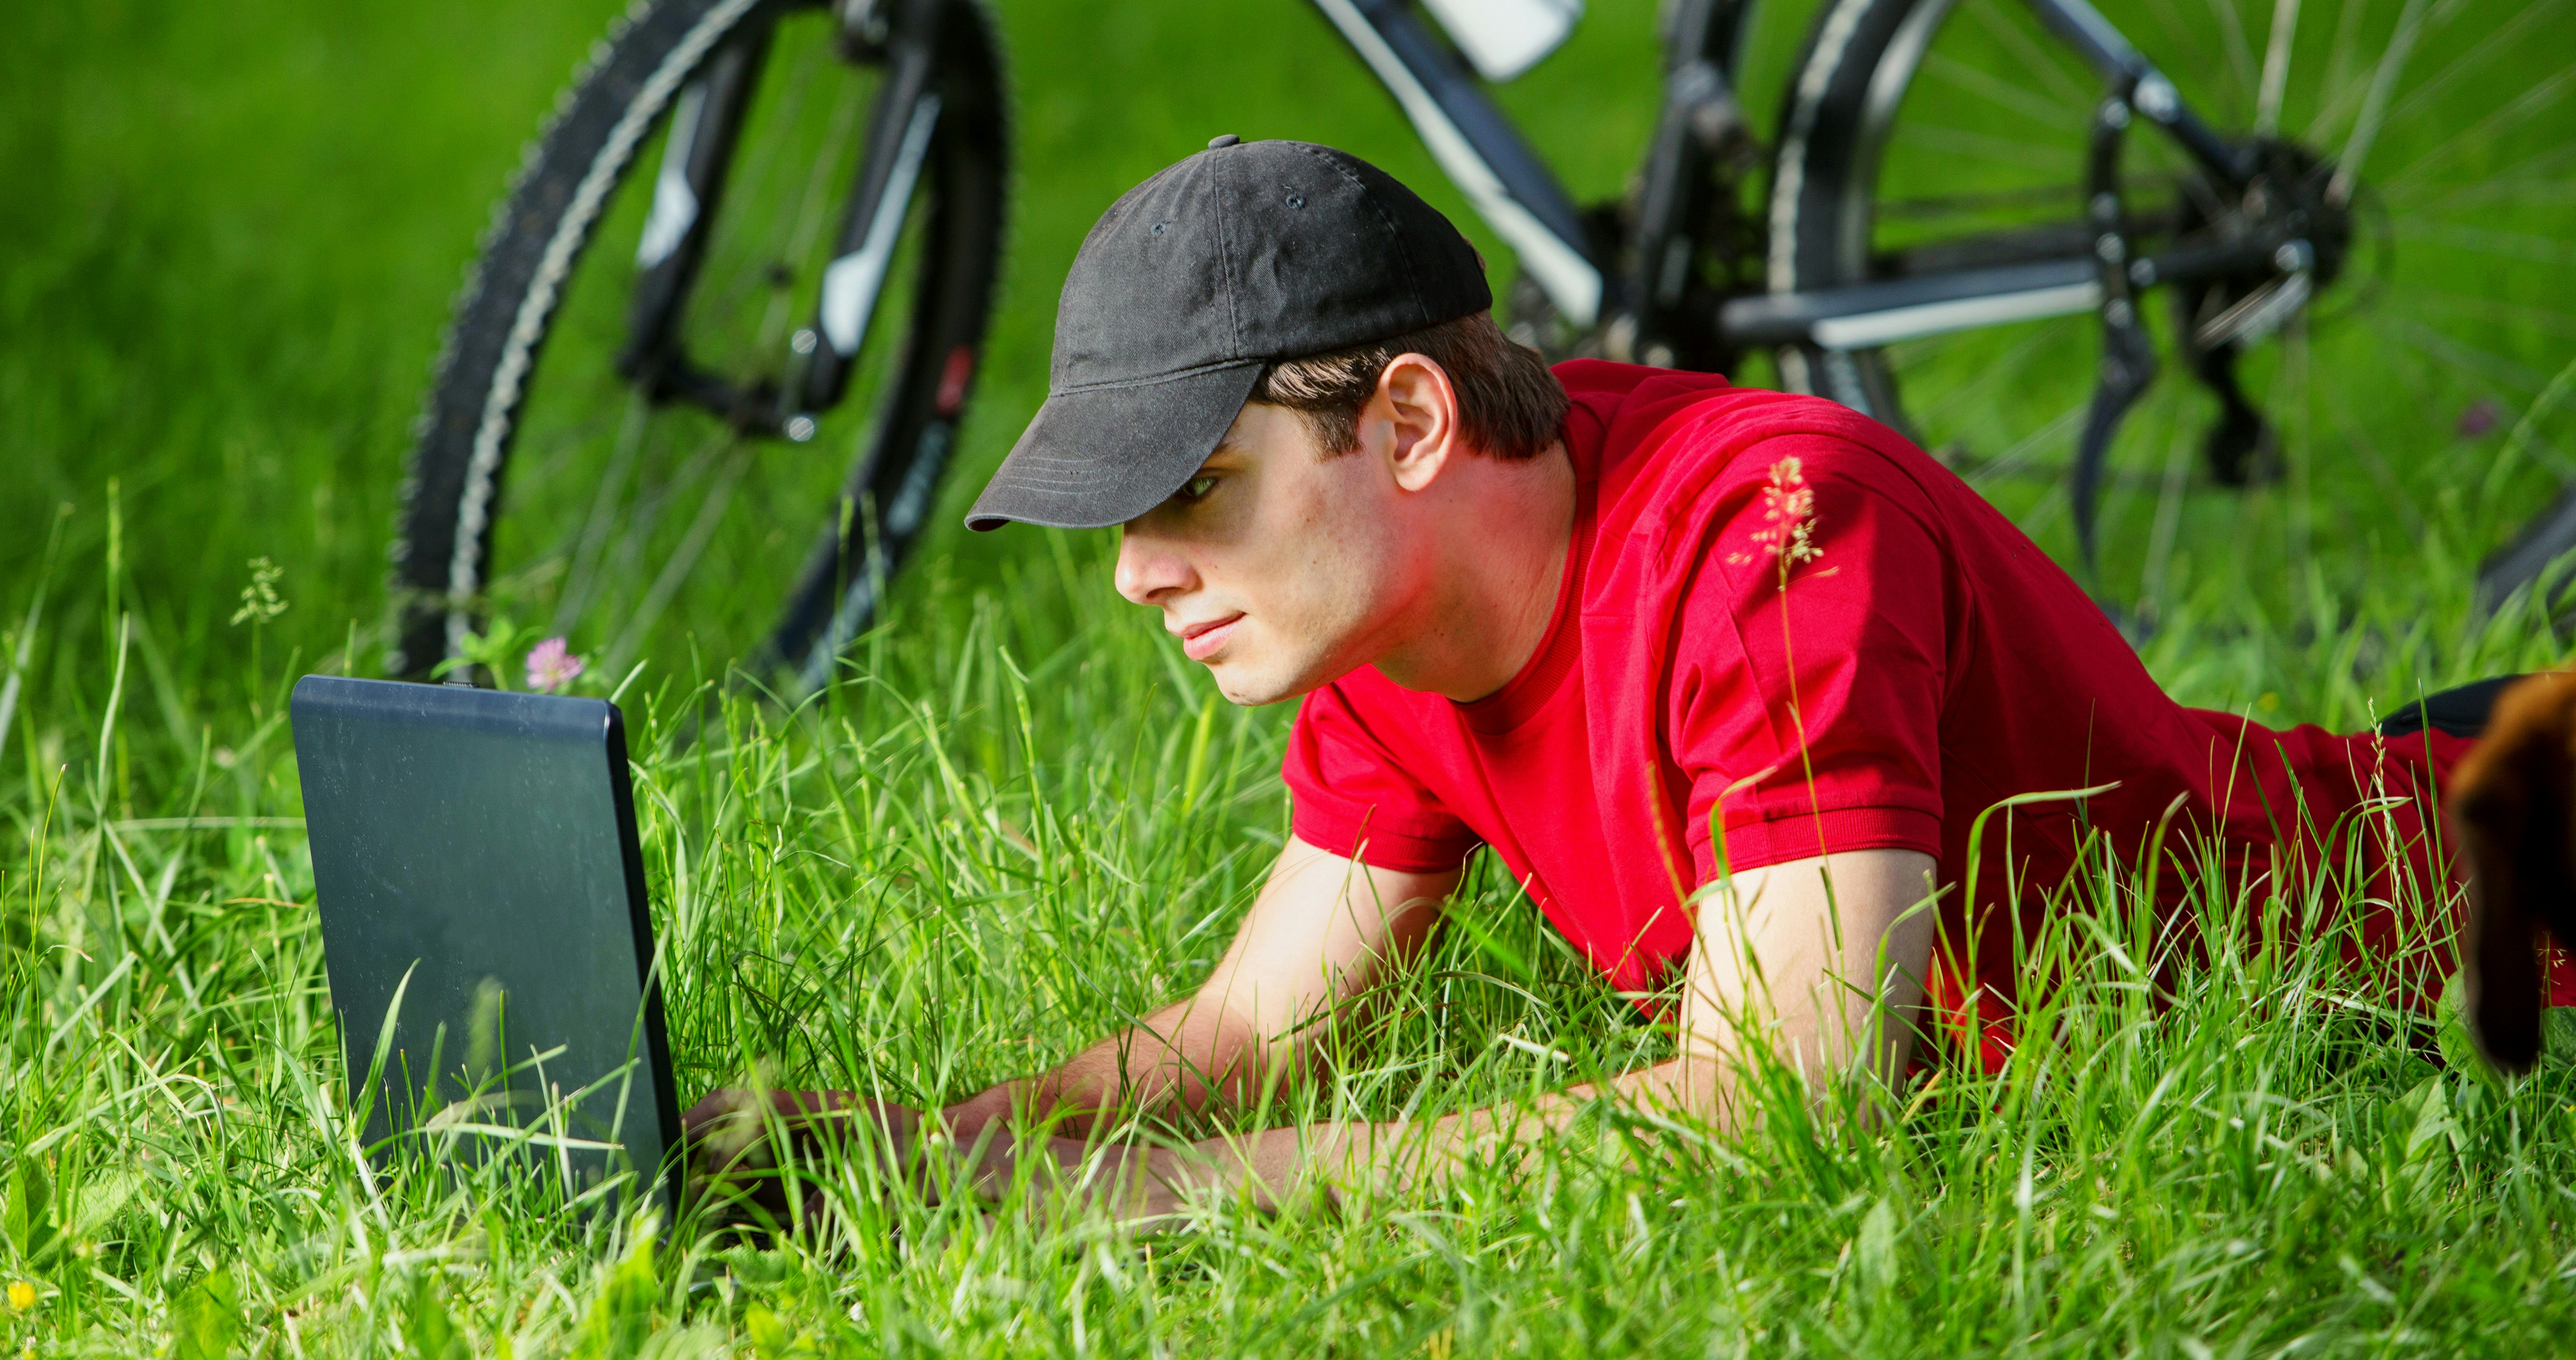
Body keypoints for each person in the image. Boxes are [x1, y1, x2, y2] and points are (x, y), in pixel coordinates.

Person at [683, 137, 2576, 1230]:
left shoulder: (1772, 535)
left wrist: (1169, 1198)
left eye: (1196, 492)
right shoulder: (1380, 608)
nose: (1140, 570)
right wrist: (929, 1149)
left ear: (1407, 419)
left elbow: (1792, 1107)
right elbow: (1256, 1028)